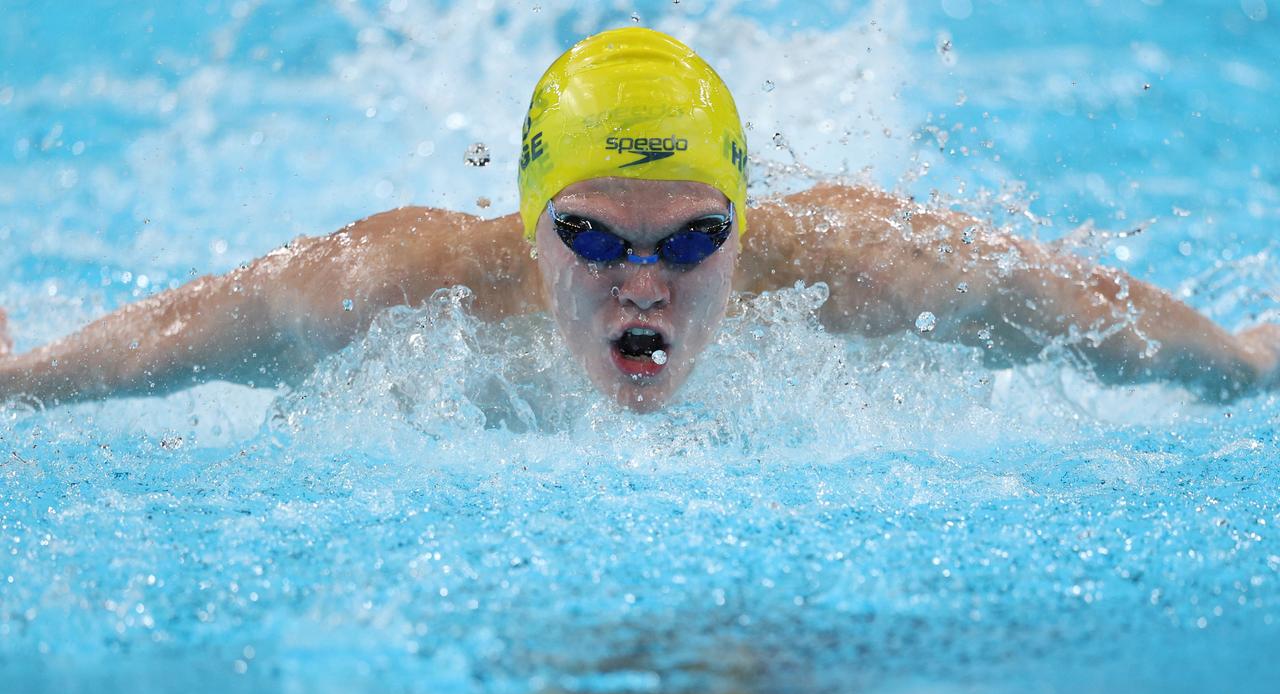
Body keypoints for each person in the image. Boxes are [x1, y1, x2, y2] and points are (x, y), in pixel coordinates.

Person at [1, 27, 1277, 414]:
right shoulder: (389, 287)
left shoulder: (869, 273)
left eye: (689, 241)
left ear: (744, 223)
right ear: (526, 227)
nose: (642, 287)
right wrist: (21, 377)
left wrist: (1245, 363)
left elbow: (1099, 320)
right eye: (594, 240)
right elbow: (140, 348)